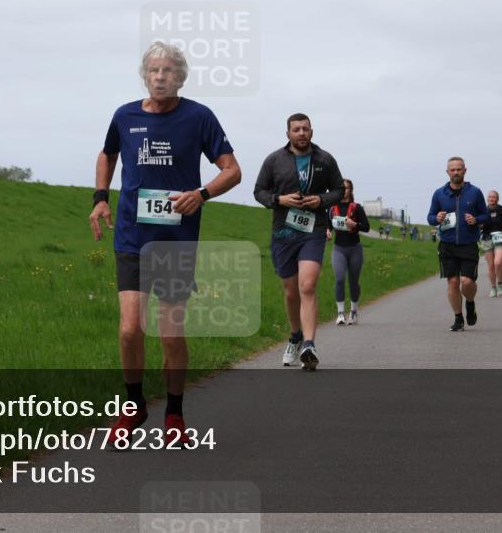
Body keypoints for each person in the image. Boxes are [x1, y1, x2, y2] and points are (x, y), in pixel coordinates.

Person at [89, 41, 241, 445]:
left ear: (181, 77)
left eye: (169, 71)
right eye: (154, 70)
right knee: (128, 330)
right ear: (144, 75)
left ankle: (174, 414)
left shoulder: (199, 117)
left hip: (176, 240)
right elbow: (107, 155)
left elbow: (232, 170)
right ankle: (134, 405)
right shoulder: (126, 115)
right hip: (132, 235)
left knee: (170, 333)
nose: (160, 77)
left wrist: (202, 194)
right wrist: (100, 198)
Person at [254, 113, 343, 370]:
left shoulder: (325, 159)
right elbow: (259, 191)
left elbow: (338, 189)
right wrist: (279, 200)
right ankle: (295, 336)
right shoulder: (274, 160)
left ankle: (309, 345)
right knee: (291, 291)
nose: (301, 133)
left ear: (312, 132)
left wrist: (321, 200)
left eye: (305, 129)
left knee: (307, 285)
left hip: (313, 230)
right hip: (283, 232)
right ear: (288, 134)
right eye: (296, 129)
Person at [427, 156, 488, 332]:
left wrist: (475, 219)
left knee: (467, 281)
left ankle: (470, 303)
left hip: (468, 244)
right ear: (447, 172)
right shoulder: (439, 194)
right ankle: (458, 317)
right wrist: (436, 218)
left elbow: (485, 215)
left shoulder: (474, 192)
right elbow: (430, 217)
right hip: (447, 244)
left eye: (459, 169)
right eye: (452, 170)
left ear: (465, 171)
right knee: (453, 282)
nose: (456, 172)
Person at [326, 179, 370, 326]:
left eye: (346, 188)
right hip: (339, 249)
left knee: (353, 282)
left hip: (354, 248)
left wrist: (355, 225)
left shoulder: (357, 208)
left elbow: (366, 227)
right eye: (341, 188)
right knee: (339, 279)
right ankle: (340, 314)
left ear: (351, 191)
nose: (344, 191)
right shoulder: (332, 208)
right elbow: (327, 225)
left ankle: (354, 311)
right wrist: (327, 232)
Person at [480, 190, 502, 297]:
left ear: (497, 199)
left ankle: (500, 283)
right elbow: (478, 222)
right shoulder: (483, 210)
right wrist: (479, 225)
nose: (491, 199)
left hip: (500, 237)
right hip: (487, 238)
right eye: (490, 197)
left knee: (498, 263)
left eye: (494, 197)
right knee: (491, 266)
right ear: (487, 198)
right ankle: (493, 288)